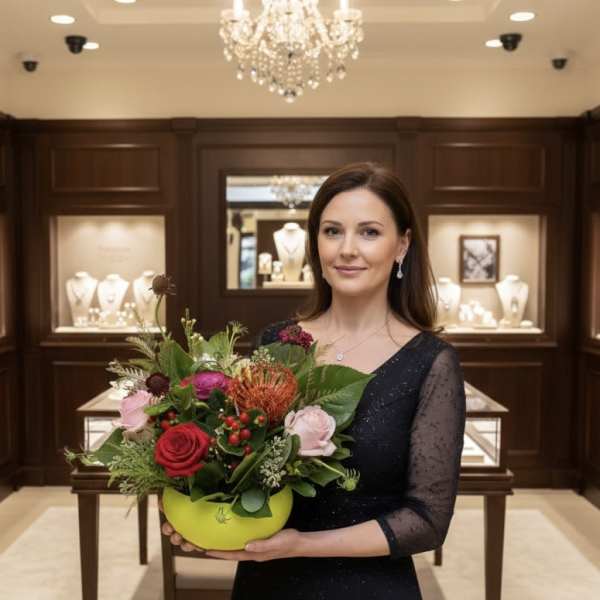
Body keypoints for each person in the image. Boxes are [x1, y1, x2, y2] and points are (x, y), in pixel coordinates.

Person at [161, 161, 466, 600]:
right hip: (267, 584)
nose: (347, 249)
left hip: (372, 589)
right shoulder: (278, 342)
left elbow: (427, 521)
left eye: (369, 232)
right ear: (315, 244)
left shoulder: (432, 363)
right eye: (332, 231)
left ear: (402, 245)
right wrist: (199, 515)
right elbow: (237, 466)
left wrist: (302, 545)